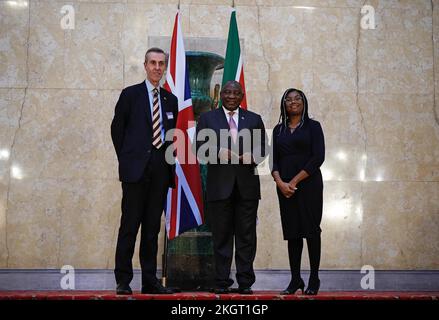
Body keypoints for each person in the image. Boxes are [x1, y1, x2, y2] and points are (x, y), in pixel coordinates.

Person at [111, 47, 178, 295]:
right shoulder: (130, 95)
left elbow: (170, 137)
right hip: (135, 172)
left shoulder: (171, 100)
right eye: (153, 63)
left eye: (161, 63)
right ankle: (123, 280)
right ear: (145, 65)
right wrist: (128, 159)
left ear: (165, 67)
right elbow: (117, 130)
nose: (157, 67)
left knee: (152, 229)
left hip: (160, 171)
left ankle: (150, 280)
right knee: (129, 226)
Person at [196, 81, 266, 294]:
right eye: (227, 92)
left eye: (236, 92)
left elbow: (264, 147)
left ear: (242, 95)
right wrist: (217, 153)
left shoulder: (254, 119)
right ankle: (221, 282)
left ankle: (245, 282)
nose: (231, 96)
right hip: (219, 188)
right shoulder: (208, 118)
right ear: (221, 95)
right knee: (221, 236)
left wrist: (253, 156)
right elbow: (198, 147)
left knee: (246, 236)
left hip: (247, 188)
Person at [271, 88, 325, 295]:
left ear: (304, 102)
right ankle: (295, 280)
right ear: (284, 104)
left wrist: (293, 181)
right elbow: (273, 159)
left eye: (297, 98)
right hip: (284, 188)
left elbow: (318, 158)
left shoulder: (313, 126)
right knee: (292, 233)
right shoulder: (278, 129)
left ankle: (314, 278)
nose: (293, 102)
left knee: (311, 231)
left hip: (308, 185)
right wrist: (280, 182)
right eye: (288, 99)